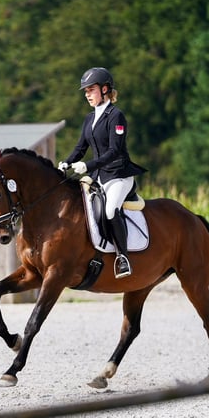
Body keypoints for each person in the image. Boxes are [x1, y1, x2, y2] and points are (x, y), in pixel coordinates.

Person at [58, 67, 147, 279]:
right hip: (99, 176)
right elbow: (81, 147)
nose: (87, 94)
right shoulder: (89, 119)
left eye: (91, 90)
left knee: (109, 211)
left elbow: (114, 151)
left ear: (105, 89)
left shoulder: (116, 116)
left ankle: (122, 257)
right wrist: (66, 162)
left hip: (119, 175)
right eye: (85, 91)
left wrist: (88, 166)